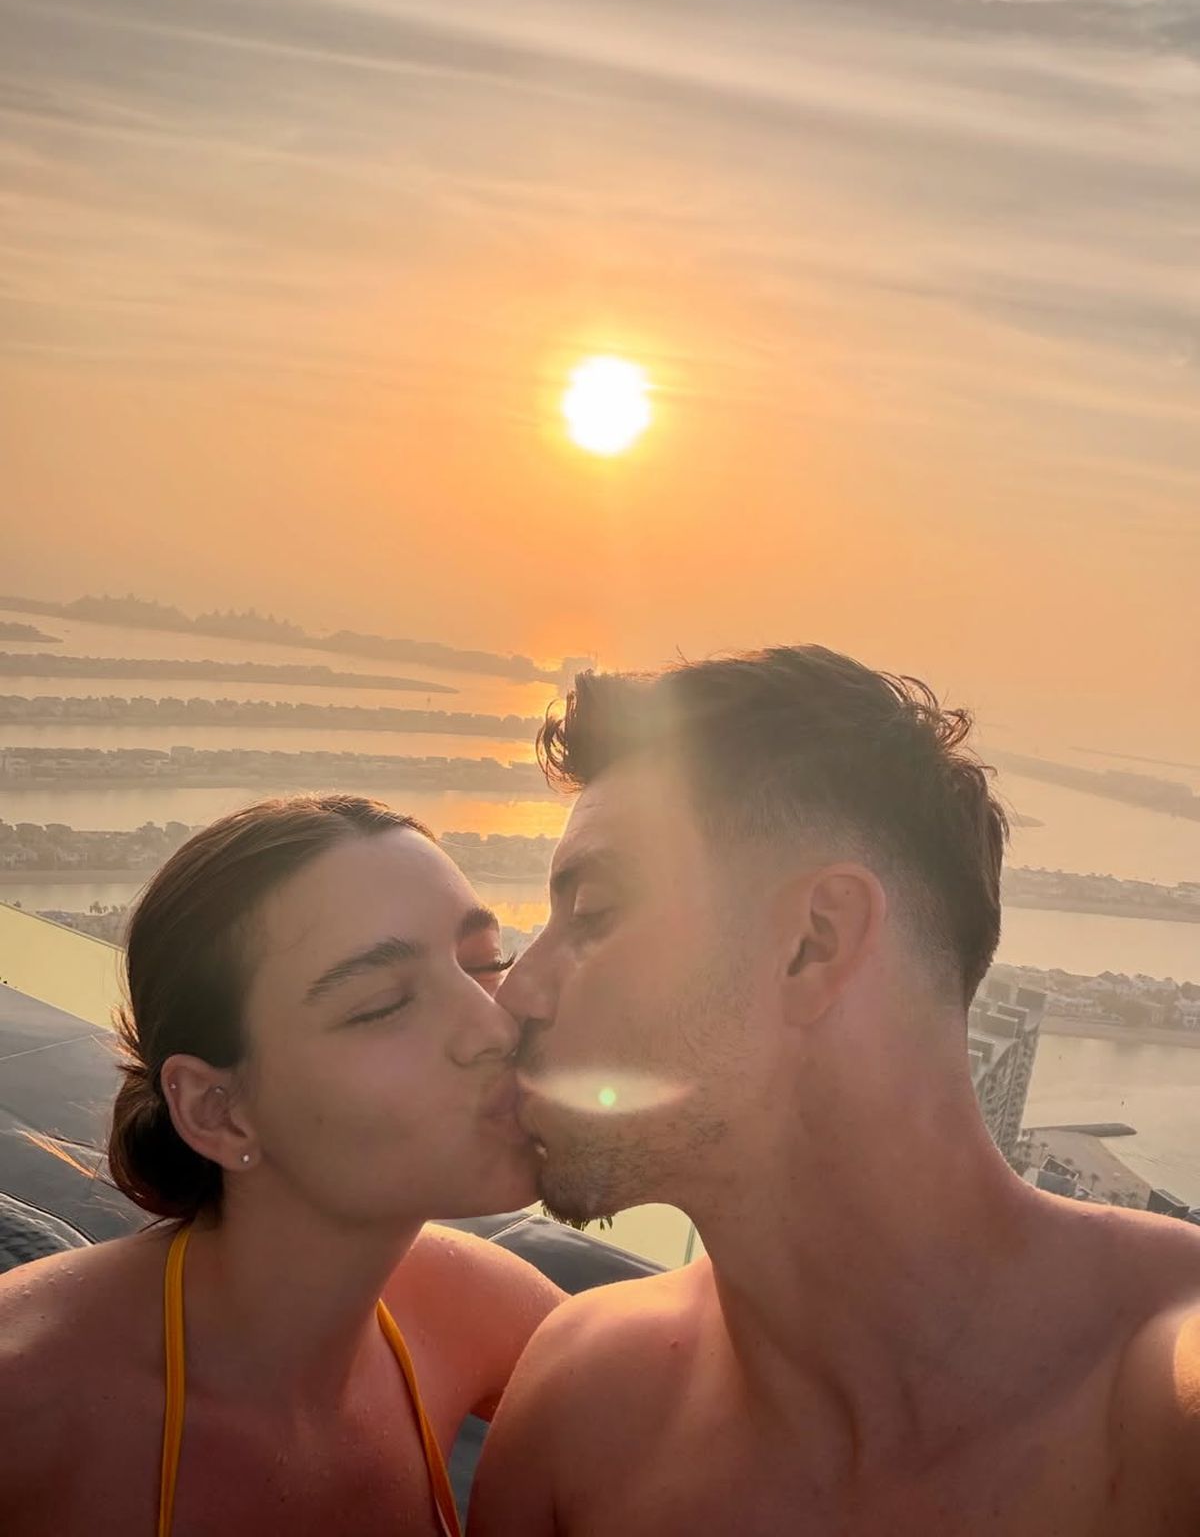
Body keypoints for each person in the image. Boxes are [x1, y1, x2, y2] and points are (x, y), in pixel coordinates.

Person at [472, 647, 1200, 1535]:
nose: (516, 995)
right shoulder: (579, 1404)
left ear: (815, 941)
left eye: (593, 914)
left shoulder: (1167, 1399)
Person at [0, 794, 562, 1536]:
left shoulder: (480, 1308)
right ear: (219, 1110)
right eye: (382, 1004)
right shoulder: (27, 1411)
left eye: (485, 962)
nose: (493, 1026)